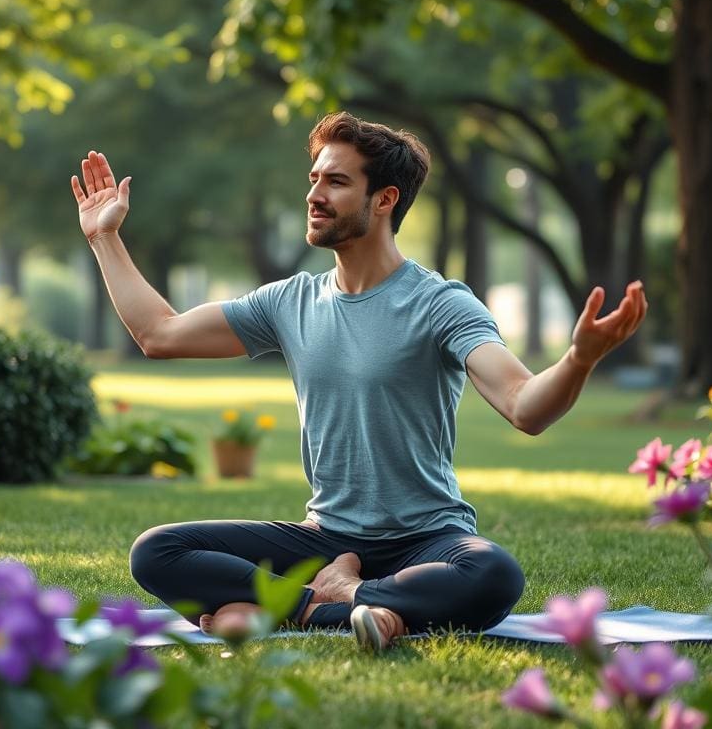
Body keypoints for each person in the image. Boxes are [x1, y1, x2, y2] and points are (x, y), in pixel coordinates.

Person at [70, 112, 647, 651]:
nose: (314, 195)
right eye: (315, 177)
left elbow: (525, 406)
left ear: (384, 199)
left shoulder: (440, 304)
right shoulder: (289, 301)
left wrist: (578, 358)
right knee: (159, 549)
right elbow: (160, 334)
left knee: (494, 574)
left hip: (426, 539)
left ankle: (306, 603)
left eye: (336, 182)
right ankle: (337, 608)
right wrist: (104, 237)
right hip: (325, 538)